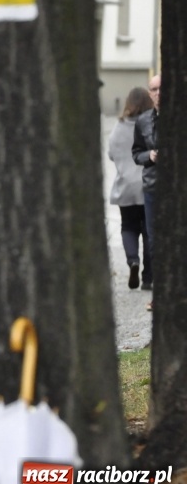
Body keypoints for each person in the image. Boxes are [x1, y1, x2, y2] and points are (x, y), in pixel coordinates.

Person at [108, 87, 153, 291]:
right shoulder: (148, 124)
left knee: (128, 227)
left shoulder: (118, 127)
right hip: (146, 185)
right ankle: (147, 277)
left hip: (125, 187)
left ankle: (132, 261)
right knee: (148, 231)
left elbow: (111, 153)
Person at [132, 74, 160, 311]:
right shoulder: (142, 121)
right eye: (154, 89)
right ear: (149, 93)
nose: (158, 93)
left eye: (162, 88)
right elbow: (136, 153)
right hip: (152, 187)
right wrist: (149, 157)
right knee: (153, 241)